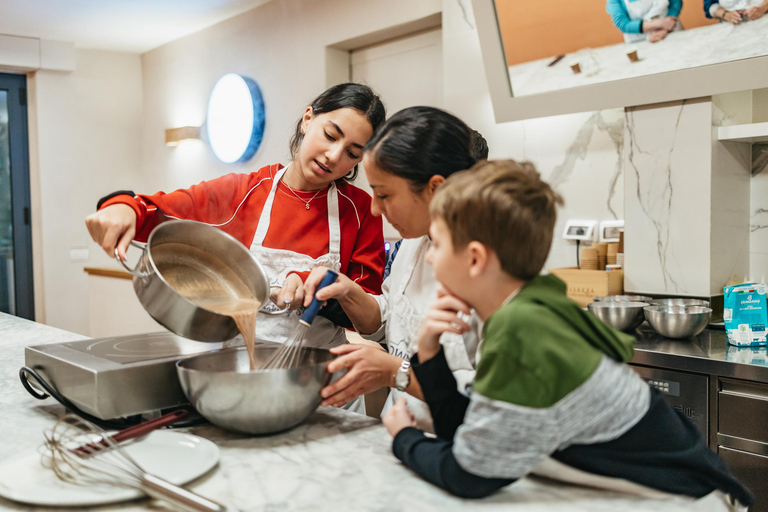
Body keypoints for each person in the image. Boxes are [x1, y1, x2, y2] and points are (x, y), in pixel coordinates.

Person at [382, 160, 753, 509]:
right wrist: (428, 350)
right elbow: (480, 438)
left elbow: (470, 474)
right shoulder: (531, 305)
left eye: (437, 244)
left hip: (682, 503)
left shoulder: (521, 331)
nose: (429, 258)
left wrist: (404, 438)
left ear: (475, 258)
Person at [86, 83, 386, 351]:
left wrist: (315, 291)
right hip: (239, 366)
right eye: (330, 135)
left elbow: (368, 315)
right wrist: (122, 207)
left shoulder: (362, 211)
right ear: (308, 120)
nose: (334, 156)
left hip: (320, 376)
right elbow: (152, 211)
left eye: (352, 153)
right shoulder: (242, 192)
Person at [302, 106, 481, 432]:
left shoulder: (485, 270)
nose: (374, 208)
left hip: (455, 445)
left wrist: (393, 372)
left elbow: (486, 405)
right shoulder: (413, 241)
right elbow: (390, 320)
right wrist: (347, 291)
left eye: (384, 194)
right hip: (399, 434)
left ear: (435, 188)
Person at [606, 0, 683, 43]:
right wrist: (661, 24)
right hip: (641, 43)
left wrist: (665, 29)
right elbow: (622, 23)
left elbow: (676, 3)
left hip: (671, 33)